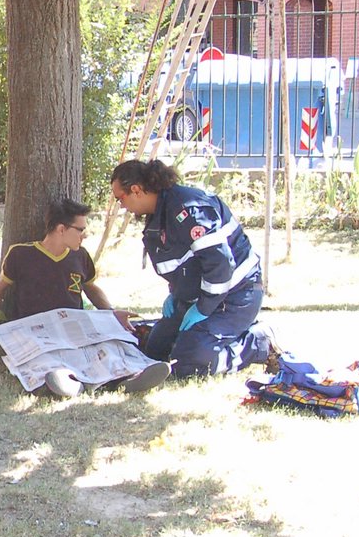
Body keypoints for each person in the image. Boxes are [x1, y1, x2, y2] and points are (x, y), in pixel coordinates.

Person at [0, 197, 169, 395]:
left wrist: (111, 314)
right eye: (80, 230)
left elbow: (91, 288)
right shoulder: (20, 255)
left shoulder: (80, 256)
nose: (84, 235)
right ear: (61, 229)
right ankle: (68, 384)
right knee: (48, 358)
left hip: (74, 327)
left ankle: (132, 377)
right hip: (36, 332)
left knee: (109, 347)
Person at [110, 159, 275, 377]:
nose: (122, 206)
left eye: (120, 198)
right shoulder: (160, 215)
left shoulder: (188, 209)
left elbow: (221, 263)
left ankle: (257, 343)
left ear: (136, 190)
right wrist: (176, 295)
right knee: (154, 352)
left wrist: (204, 308)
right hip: (196, 298)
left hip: (235, 295)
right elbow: (182, 264)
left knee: (189, 364)